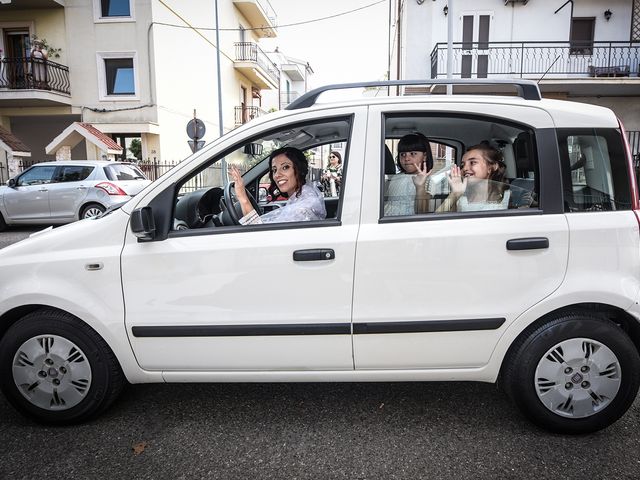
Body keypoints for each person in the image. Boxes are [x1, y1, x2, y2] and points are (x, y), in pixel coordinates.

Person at [228, 146, 326, 225]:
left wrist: (242, 197)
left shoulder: (303, 208)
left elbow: (260, 235)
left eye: (285, 167)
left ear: (299, 169)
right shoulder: (303, 195)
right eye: (274, 170)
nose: (277, 175)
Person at [437, 142, 510, 212]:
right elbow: (437, 221)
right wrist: (454, 194)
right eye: (463, 165)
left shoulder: (508, 196)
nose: (465, 168)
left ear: (492, 167)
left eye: (473, 162)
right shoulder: (462, 196)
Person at [383, 133, 434, 216]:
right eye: (403, 154)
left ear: (424, 156)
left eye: (413, 154)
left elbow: (423, 211)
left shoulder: (427, 181)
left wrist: (420, 187)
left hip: (407, 223)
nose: (406, 158)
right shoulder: (395, 178)